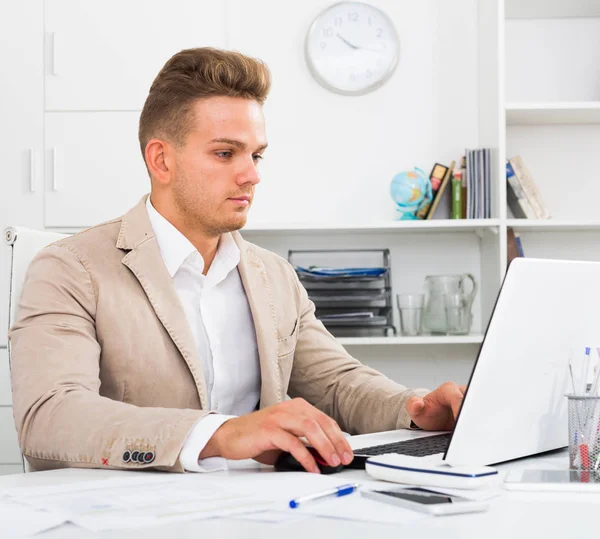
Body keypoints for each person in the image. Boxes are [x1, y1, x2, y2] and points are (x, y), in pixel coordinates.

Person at [9, 48, 466, 474]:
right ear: (161, 160)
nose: (252, 175)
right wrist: (219, 433)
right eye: (225, 153)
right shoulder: (70, 268)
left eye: (256, 154)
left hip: (262, 511)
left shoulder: (274, 276)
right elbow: (50, 415)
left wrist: (414, 408)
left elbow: (337, 383)